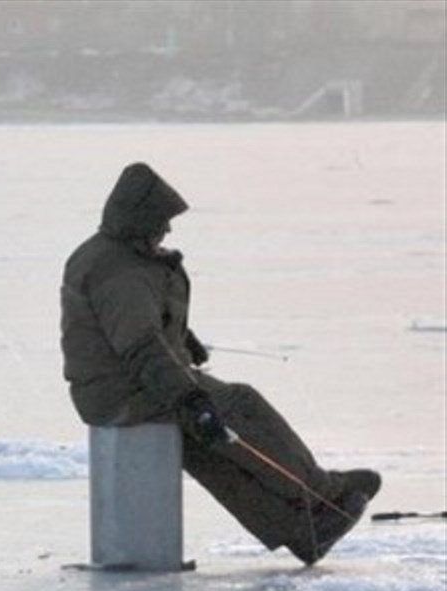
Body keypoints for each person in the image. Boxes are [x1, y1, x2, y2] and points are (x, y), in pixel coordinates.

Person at [59, 162, 381, 566]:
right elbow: (141, 346)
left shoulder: (115, 256)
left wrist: (181, 338)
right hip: (123, 391)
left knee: (205, 444)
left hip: (114, 387)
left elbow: (133, 326)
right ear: (141, 218)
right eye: (163, 220)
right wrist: (192, 399)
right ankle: (322, 494)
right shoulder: (119, 269)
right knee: (238, 405)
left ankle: (301, 528)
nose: (168, 230)